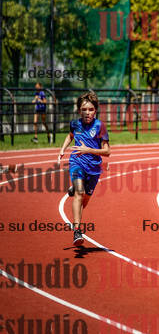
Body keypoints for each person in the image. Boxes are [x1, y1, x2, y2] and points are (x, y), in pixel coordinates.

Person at [58, 91, 110, 246]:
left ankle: (75, 188)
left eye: (91, 109)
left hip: (94, 168)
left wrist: (88, 150)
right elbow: (70, 135)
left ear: (96, 110)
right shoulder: (75, 124)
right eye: (84, 109)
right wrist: (62, 149)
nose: (87, 112)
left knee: (84, 201)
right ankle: (77, 231)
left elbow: (107, 151)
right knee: (79, 194)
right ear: (79, 110)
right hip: (77, 162)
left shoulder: (100, 126)